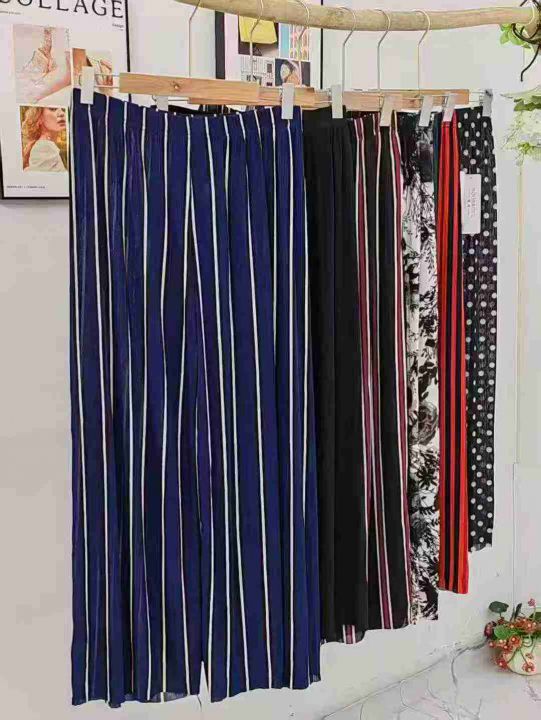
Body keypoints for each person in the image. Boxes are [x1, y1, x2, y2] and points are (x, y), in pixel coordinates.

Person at [22, 107, 67, 173]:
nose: (62, 113)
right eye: (53, 109)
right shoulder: (45, 147)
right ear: (39, 118)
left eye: (63, 110)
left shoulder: (45, 145)